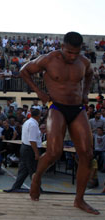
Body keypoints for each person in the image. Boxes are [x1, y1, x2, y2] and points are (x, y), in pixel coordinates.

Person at [21, 32, 99, 215]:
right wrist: (38, 92)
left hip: (77, 108)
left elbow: (89, 75)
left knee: (87, 154)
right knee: (54, 152)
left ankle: (79, 200)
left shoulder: (84, 62)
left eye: (76, 52)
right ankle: (37, 177)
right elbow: (23, 71)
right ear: (62, 47)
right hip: (56, 106)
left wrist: (86, 92)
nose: (73, 56)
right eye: (69, 52)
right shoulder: (49, 59)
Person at [6, 109, 41, 192]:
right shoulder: (33, 125)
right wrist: (36, 153)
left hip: (24, 147)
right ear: (38, 116)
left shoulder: (27, 122)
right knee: (33, 169)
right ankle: (37, 188)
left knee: (24, 169)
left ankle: (16, 186)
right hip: (30, 149)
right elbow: (32, 140)